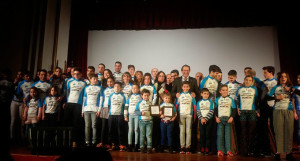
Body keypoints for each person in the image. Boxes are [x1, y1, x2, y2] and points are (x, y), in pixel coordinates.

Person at [268, 72, 297, 161]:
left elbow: (293, 100)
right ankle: (278, 153)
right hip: (277, 111)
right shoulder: (275, 88)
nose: (283, 78)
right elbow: (267, 98)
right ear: (279, 78)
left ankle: (288, 153)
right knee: (279, 131)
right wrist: (276, 98)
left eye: (285, 77)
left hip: (289, 111)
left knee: (289, 132)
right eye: (281, 77)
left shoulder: (291, 88)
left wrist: (295, 112)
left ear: (287, 78)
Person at [63, 68, 86, 148]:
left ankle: (75, 141)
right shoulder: (69, 81)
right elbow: (67, 93)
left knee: (76, 123)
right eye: (74, 73)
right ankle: (66, 141)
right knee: (66, 122)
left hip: (78, 104)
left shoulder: (84, 83)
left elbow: (84, 96)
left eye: (77, 74)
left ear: (80, 74)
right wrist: (65, 102)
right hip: (69, 103)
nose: (76, 75)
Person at [236, 75, 259, 156]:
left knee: (251, 132)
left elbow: (256, 101)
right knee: (243, 132)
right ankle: (244, 151)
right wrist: (237, 108)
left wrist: (257, 111)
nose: (248, 81)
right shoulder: (239, 89)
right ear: (244, 80)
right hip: (242, 112)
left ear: (252, 81)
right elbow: (237, 100)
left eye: (250, 80)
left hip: (252, 111)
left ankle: (251, 150)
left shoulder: (254, 89)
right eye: (246, 80)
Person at [11, 71, 33, 142]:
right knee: (13, 119)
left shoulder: (33, 83)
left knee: (23, 120)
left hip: (26, 104)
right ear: (24, 77)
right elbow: (17, 93)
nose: (28, 77)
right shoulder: (20, 83)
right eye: (26, 76)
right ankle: (11, 137)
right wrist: (15, 84)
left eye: (29, 76)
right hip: (16, 101)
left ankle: (22, 137)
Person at [82, 74, 103, 147]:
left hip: (95, 109)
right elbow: (84, 99)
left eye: (96, 79)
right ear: (90, 79)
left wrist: (99, 110)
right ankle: (87, 141)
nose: (95, 80)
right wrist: (82, 110)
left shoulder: (99, 88)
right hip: (86, 109)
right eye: (94, 79)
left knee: (94, 126)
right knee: (87, 125)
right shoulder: (86, 88)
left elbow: (101, 99)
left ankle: (94, 141)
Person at [215, 84, 236, 157]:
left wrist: (232, 117)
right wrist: (216, 117)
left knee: (228, 135)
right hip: (220, 120)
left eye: (226, 90)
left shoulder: (231, 99)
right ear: (220, 91)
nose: (225, 91)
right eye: (223, 90)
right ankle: (220, 150)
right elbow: (215, 109)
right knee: (220, 135)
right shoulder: (217, 99)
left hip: (228, 120)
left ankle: (228, 150)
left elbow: (234, 109)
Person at [176, 81, 196, 154]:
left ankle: (188, 147)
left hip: (189, 116)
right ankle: (182, 147)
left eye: (187, 87)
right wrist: (176, 115)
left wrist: (194, 116)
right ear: (182, 87)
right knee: (182, 131)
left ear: (189, 87)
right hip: (181, 115)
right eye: (184, 87)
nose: (185, 88)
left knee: (188, 131)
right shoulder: (179, 95)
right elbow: (176, 105)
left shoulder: (192, 96)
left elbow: (194, 106)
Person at [107, 82, 126, 151]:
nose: (117, 88)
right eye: (115, 86)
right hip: (111, 115)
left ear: (121, 88)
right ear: (113, 88)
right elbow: (109, 106)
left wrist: (124, 115)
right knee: (111, 131)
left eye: (118, 87)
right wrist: (109, 114)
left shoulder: (123, 96)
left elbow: (124, 106)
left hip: (120, 115)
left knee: (120, 131)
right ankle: (111, 144)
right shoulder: (111, 96)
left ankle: (121, 145)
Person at [96, 77, 114, 149]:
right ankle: (102, 142)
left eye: (111, 81)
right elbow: (102, 100)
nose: (109, 83)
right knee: (104, 127)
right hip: (104, 108)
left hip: (112, 109)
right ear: (106, 82)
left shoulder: (115, 89)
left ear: (113, 82)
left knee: (111, 127)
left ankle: (110, 143)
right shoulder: (105, 90)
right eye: (108, 82)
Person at [124, 83, 142, 152]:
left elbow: (142, 106)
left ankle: (136, 145)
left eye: (135, 88)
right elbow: (126, 106)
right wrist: (125, 116)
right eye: (133, 88)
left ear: (138, 89)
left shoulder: (141, 97)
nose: (134, 89)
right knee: (130, 130)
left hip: (137, 115)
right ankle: (129, 145)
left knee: (136, 130)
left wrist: (140, 114)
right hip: (130, 115)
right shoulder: (129, 97)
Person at [196, 88, 214, 155]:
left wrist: (206, 118)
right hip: (201, 121)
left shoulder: (210, 102)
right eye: (204, 94)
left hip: (209, 120)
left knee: (207, 135)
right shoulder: (199, 102)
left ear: (208, 95)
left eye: (207, 94)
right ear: (201, 94)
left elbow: (211, 111)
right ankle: (202, 147)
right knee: (202, 134)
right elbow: (198, 111)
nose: (206, 95)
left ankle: (207, 148)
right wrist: (202, 118)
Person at [135, 89, 153, 153]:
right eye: (145, 95)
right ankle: (142, 147)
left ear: (149, 96)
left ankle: (149, 147)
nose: (146, 97)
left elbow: (154, 111)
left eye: (147, 95)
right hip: (142, 121)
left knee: (149, 135)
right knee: (142, 135)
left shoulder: (151, 103)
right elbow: (136, 111)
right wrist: (140, 113)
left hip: (149, 121)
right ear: (142, 96)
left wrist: (157, 112)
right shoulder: (139, 103)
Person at [292, 73, 300, 149]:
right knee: (298, 128)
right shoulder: (294, 88)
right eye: (297, 78)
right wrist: (294, 112)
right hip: (298, 109)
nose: (298, 79)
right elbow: (293, 101)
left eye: (299, 78)